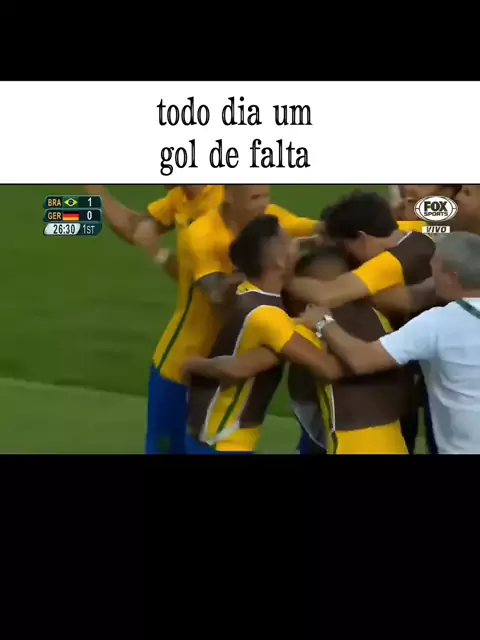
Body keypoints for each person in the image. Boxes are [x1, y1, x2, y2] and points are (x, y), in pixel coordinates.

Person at [186, 237, 414, 455]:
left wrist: (194, 364)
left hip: (349, 446)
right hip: (394, 442)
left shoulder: (313, 329)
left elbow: (239, 367)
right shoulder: (381, 319)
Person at [152, 186, 323, 454]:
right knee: (169, 449)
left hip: (232, 357)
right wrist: (268, 269)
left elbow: (321, 230)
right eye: (255, 198)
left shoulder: (271, 221)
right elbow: (217, 295)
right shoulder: (202, 233)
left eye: (266, 195)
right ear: (229, 194)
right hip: (185, 362)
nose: (264, 204)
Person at [302, 232, 480, 454]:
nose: (429, 272)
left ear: (452, 277)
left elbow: (362, 359)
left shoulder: (439, 323)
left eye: (434, 265)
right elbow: (415, 295)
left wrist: (323, 322)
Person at [183, 215, 345, 454]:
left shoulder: (246, 290)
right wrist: (320, 325)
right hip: (224, 442)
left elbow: (247, 355)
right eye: (288, 240)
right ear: (278, 261)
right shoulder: (269, 318)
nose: (296, 244)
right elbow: (329, 369)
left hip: (207, 433)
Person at [85, 185, 224, 454]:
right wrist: (94, 187)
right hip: (179, 358)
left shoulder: (223, 204)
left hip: (207, 360)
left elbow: (210, 285)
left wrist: (160, 255)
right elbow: (137, 229)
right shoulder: (182, 197)